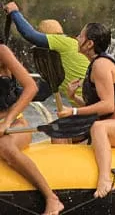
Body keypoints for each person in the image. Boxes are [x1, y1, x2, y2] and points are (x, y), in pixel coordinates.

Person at [58, 23, 115, 198]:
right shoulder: (94, 64)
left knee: (98, 127)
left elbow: (108, 106)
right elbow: (99, 109)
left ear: (89, 44)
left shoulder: (101, 65)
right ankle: (63, 178)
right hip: (111, 125)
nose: (77, 38)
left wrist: (74, 111)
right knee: (60, 130)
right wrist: (74, 98)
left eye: (80, 36)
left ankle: (105, 178)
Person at [0, 43, 64, 214]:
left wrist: (7, 122)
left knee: (5, 146)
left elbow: (31, 87)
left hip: (15, 124)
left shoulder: (2, 51)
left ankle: (51, 198)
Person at [3, 1, 89, 106]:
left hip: (92, 108)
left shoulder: (64, 42)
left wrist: (14, 12)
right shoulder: (57, 63)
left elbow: (29, 35)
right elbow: (40, 93)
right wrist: (9, 92)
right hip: (82, 109)